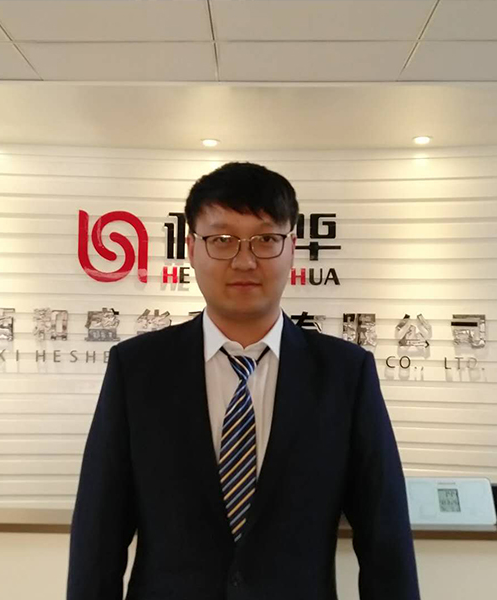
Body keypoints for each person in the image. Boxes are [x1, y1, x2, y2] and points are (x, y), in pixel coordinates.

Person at [66, 162, 421, 600]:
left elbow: (385, 538)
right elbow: (98, 534)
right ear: (191, 248)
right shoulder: (137, 369)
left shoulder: (345, 375)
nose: (245, 260)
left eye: (266, 239)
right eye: (222, 240)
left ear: (292, 248)